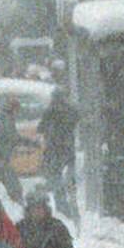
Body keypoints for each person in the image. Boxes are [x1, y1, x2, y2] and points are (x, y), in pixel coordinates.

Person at [40, 84, 79, 224]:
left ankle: (62, 205)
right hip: (68, 149)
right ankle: (73, 198)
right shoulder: (71, 110)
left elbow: (41, 127)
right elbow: (76, 119)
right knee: (70, 174)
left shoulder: (50, 110)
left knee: (55, 176)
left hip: (54, 150)